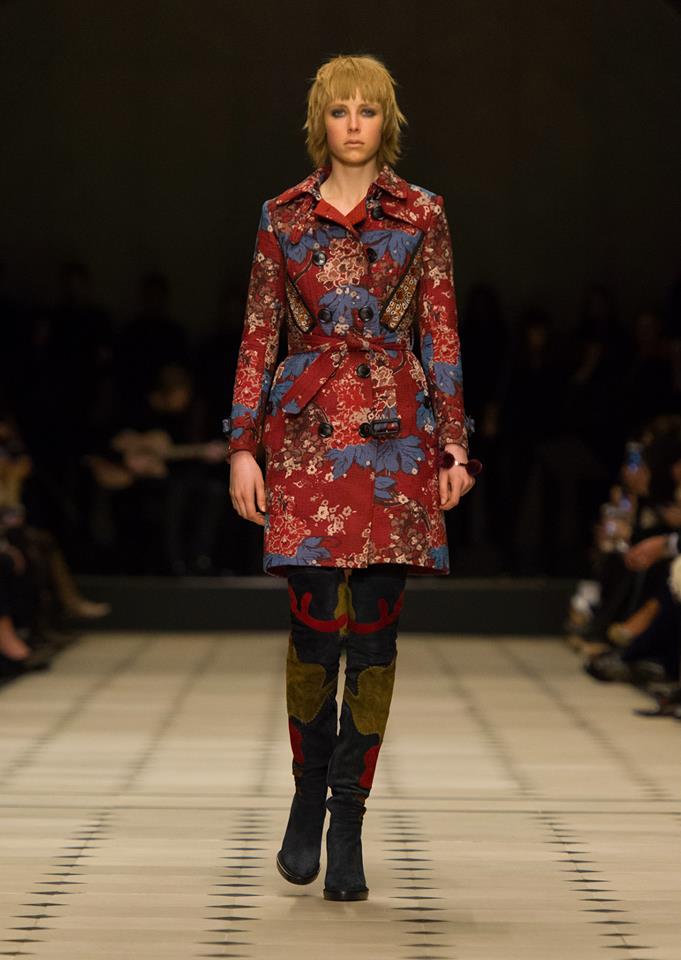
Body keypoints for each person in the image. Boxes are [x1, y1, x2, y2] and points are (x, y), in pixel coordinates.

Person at [225, 53, 478, 902]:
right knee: (310, 630)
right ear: (320, 122)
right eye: (340, 110)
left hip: (394, 436)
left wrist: (454, 445)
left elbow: (440, 330)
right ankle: (306, 798)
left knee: (372, 636)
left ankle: (348, 823)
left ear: (386, 120)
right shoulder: (281, 215)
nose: (354, 123)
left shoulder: (422, 212)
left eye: (368, 110)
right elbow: (258, 331)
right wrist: (241, 447)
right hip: (302, 438)